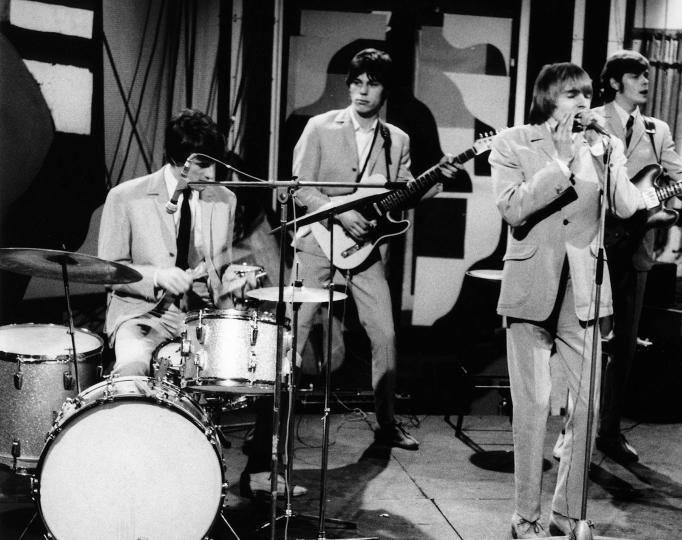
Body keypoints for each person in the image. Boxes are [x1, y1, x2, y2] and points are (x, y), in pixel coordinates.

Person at [98, 108, 300, 497]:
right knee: (131, 372)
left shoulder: (222, 198)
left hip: (198, 316)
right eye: (206, 165)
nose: (213, 175)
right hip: (141, 313)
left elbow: (214, 266)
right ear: (184, 161)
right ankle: (130, 477)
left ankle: (260, 468)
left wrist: (234, 281)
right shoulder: (125, 197)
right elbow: (109, 271)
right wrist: (157, 276)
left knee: (278, 365)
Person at [490, 62, 655, 539]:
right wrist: (560, 161)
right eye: (569, 96)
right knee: (534, 407)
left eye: (585, 95)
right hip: (529, 292)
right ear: (546, 100)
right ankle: (525, 514)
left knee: (585, 409)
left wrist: (611, 158)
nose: (582, 104)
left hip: (585, 293)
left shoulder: (604, 145)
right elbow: (513, 207)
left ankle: (567, 510)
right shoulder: (514, 142)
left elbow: (625, 206)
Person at [291, 48, 460, 451]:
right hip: (318, 242)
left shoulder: (396, 139)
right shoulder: (319, 127)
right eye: (357, 83)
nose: (362, 91)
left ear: (386, 90)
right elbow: (300, 187)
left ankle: (387, 422)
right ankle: (272, 424)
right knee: (295, 333)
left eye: (372, 84)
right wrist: (338, 213)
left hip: (364, 250)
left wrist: (433, 184)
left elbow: (398, 197)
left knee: (384, 334)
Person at [592, 49, 682, 462]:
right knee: (590, 342)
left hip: (637, 248)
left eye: (648, 74)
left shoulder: (657, 129)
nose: (646, 81)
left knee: (626, 346)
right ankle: (574, 429)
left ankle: (609, 432)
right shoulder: (592, 120)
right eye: (637, 74)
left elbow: (679, 178)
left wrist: (673, 207)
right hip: (596, 244)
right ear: (616, 82)